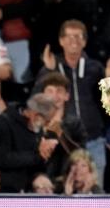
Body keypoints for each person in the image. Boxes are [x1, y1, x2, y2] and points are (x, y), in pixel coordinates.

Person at [37, 20, 106, 187]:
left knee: (95, 190)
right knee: (64, 188)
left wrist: (109, 134)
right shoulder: (52, 66)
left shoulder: (95, 68)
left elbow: (107, 103)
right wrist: (48, 69)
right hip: (64, 141)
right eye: (68, 36)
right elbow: (37, 101)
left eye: (78, 36)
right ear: (60, 41)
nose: (73, 40)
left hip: (93, 141)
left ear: (84, 41)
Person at [0, 93, 57, 193]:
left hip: (27, 188)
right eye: (47, 121)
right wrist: (37, 156)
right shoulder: (3, 123)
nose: (48, 125)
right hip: (5, 191)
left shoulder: (37, 127)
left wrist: (43, 158)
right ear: (35, 115)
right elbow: (3, 159)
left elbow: (35, 159)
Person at [38, 71, 87, 187]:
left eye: (59, 91)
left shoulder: (75, 124)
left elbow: (79, 155)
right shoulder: (34, 122)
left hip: (66, 182)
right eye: (50, 91)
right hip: (38, 183)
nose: (55, 96)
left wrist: (59, 131)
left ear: (67, 96)